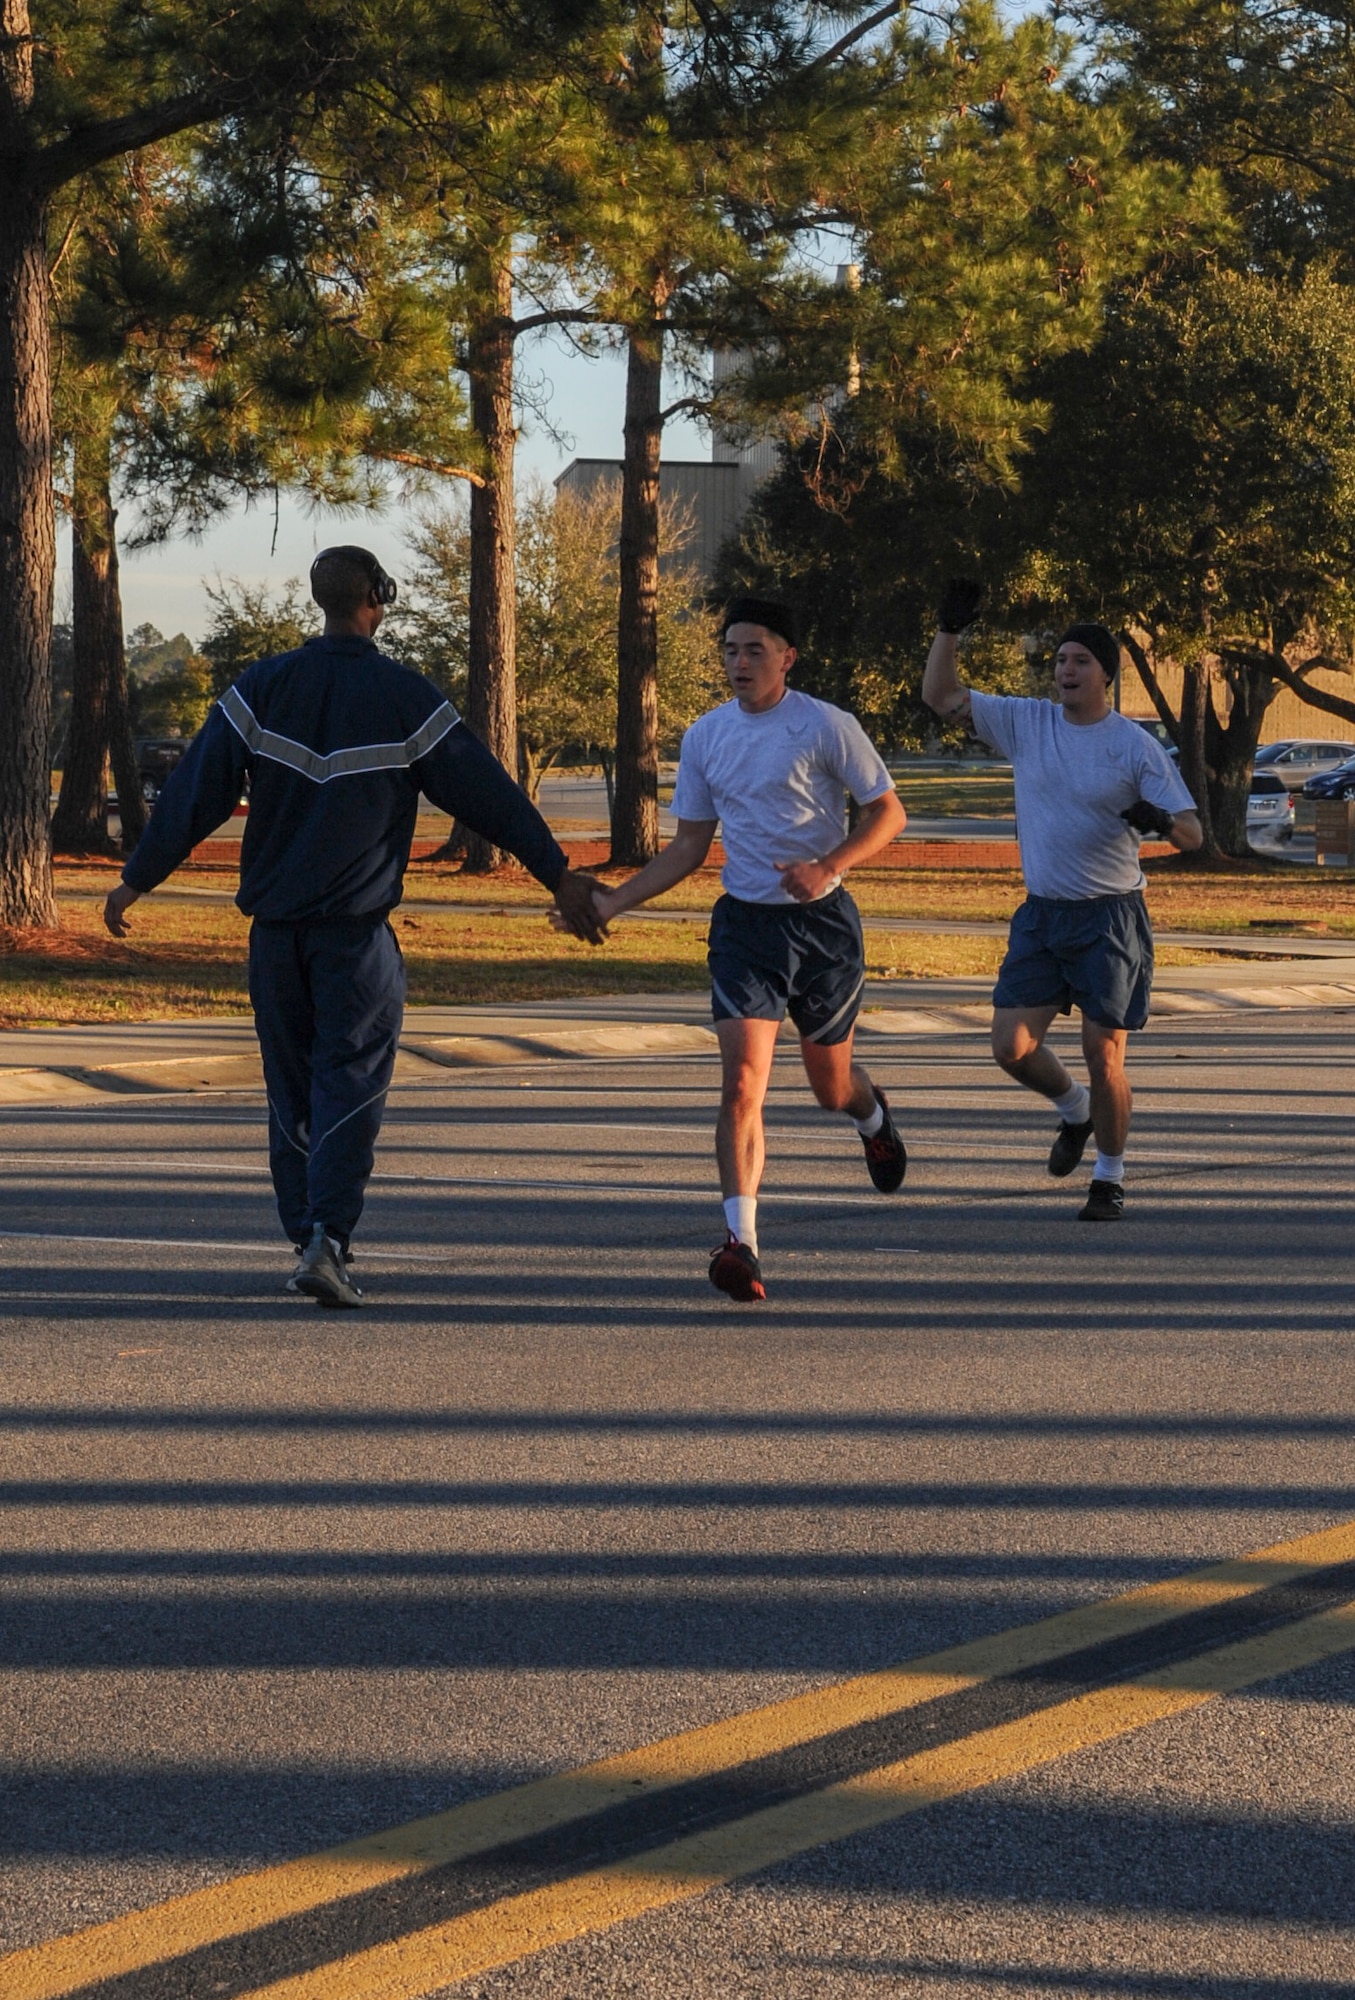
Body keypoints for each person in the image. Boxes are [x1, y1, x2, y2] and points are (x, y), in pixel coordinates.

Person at [103, 545, 604, 1306]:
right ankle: (327, 1239)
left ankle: (305, 1230)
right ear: (377, 597)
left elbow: (194, 793)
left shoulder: (260, 689)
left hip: (274, 939)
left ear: (318, 599)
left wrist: (135, 879)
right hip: (355, 941)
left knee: (291, 1088)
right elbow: (488, 796)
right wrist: (557, 873)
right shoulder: (405, 697)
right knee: (351, 1085)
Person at [589, 597, 908, 1301]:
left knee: (830, 1088)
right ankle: (743, 1245)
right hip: (745, 929)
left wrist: (828, 865)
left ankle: (871, 1114)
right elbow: (688, 848)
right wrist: (612, 901)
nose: (739, 662)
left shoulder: (826, 725)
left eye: (755, 649)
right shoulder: (705, 736)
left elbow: (888, 812)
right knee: (741, 1085)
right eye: (730, 649)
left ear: (786, 657)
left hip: (822, 927)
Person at [921, 580, 1202, 1220]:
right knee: (1009, 1047)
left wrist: (1157, 819)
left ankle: (1109, 1176)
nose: (1066, 670)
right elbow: (939, 697)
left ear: (1105, 675)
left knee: (1105, 1057)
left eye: (1080, 661)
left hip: (1110, 919)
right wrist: (949, 629)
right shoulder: (1027, 722)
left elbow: (1192, 833)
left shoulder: (1134, 745)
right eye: (1060, 660)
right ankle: (1073, 1111)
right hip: (1043, 914)